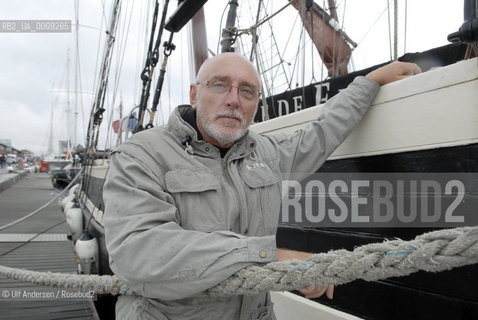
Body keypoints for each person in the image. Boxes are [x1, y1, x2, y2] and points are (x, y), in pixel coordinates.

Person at [103, 52, 421, 319]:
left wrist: (370, 82)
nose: (233, 100)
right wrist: (272, 256)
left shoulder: (264, 152)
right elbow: (138, 253)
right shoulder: (142, 155)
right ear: (193, 94)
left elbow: (321, 135)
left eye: (247, 91)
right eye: (219, 86)